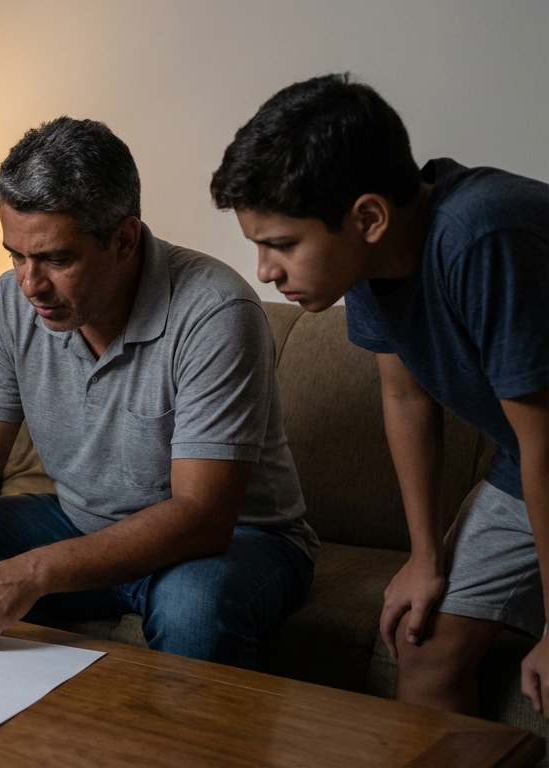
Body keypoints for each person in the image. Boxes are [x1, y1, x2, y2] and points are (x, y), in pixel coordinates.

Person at [0, 117, 318, 669]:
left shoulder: (214, 313)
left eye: (56, 260)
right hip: (79, 521)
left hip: (237, 540)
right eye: (16, 254)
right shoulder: (13, 302)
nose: (30, 284)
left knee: (192, 605)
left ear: (124, 239)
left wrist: (34, 571)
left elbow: (200, 515)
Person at [211, 73, 549, 716]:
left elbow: (547, 444)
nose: (265, 271)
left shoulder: (482, 236)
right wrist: (425, 558)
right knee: (421, 644)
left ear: (367, 216)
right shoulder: (366, 261)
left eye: (281, 244)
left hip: (545, 449)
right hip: (530, 459)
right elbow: (407, 399)